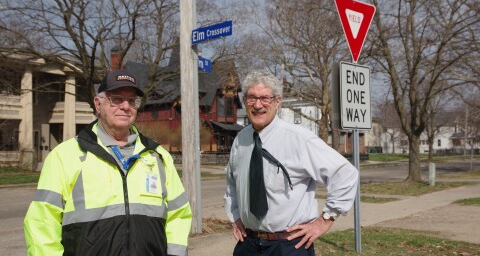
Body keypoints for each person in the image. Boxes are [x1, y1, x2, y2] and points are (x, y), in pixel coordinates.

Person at [24, 69, 192, 256]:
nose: (126, 106)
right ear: (98, 104)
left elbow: (179, 215)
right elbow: (42, 223)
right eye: (117, 99)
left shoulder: (158, 156)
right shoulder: (65, 156)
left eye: (132, 100)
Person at [224, 70, 359, 256]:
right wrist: (236, 217)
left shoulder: (299, 139)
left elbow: (345, 174)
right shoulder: (240, 140)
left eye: (265, 98)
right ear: (244, 100)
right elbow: (232, 183)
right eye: (251, 98)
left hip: (288, 245)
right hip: (248, 244)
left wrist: (325, 220)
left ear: (277, 101)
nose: (257, 105)